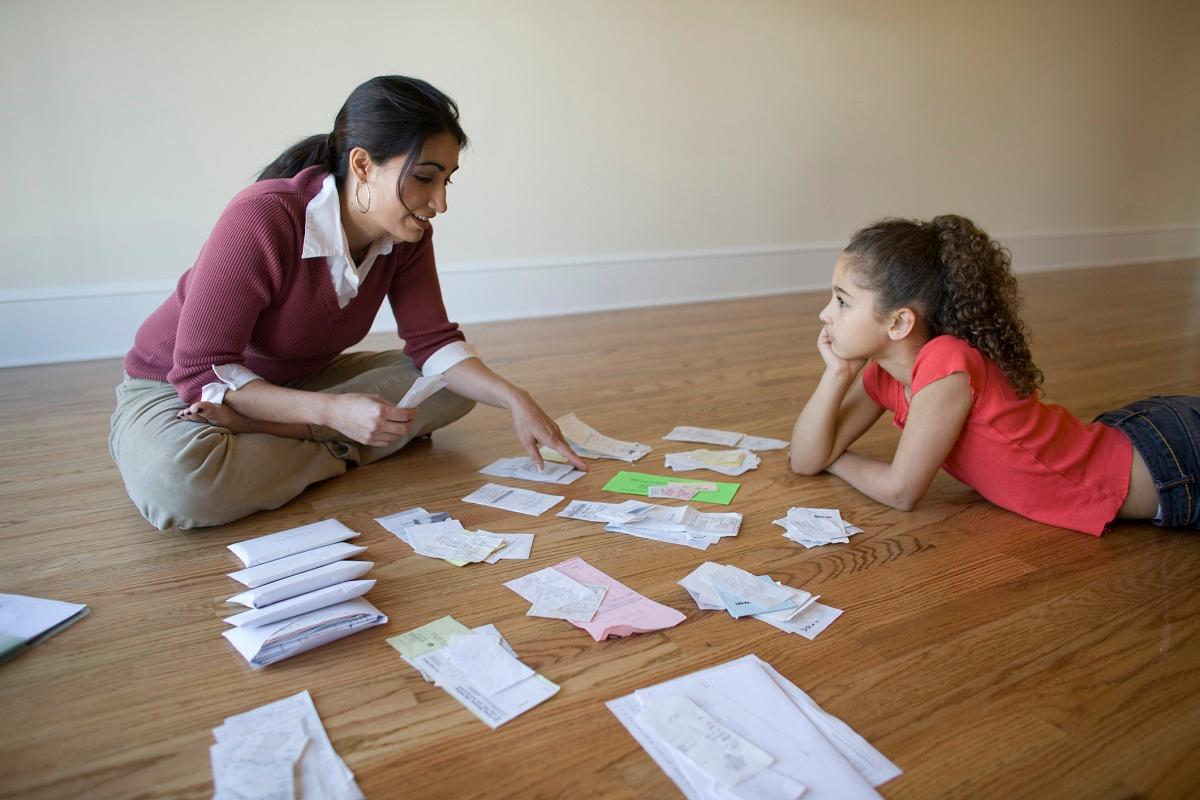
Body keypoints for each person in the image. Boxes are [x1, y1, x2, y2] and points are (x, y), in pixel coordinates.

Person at [110, 75, 586, 531]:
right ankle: (339, 440)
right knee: (181, 484)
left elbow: (434, 341)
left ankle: (280, 431)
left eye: (448, 181)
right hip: (176, 387)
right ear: (362, 165)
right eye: (424, 178)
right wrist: (333, 414)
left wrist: (513, 398)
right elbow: (203, 372)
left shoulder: (408, 235)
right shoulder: (263, 216)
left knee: (452, 385)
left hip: (295, 379)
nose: (439, 203)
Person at [789, 213, 1198, 535]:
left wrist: (836, 458)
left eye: (842, 301)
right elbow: (805, 460)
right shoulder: (883, 376)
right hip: (1137, 442)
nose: (825, 313)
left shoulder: (946, 363)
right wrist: (836, 375)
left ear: (899, 323)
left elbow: (901, 492)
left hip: (1173, 464)